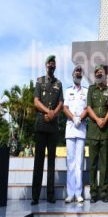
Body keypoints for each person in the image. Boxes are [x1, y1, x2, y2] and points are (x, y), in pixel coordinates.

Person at [31, 55, 63, 205]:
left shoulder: (59, 83)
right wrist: (47, 112)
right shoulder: (40, 81)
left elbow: (61, 103)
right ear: (46, 65)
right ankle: (35, 196)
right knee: (38, 161)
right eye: (49, 63)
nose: (51, 65)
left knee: (51, 162)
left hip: (53, 127)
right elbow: (36, 101)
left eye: (53, 64)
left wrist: (53, 114)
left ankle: (51, 195)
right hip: (41, 124)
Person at [63, 65, 88, 203]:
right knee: (70, 163)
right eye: (76, 73)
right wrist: (73, 118)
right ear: (73, 75)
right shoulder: (68, 91)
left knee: (79, 163)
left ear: (81, 76)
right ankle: (70, 193)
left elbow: (87, 108)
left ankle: (78, 193)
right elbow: (65, 107)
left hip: (81, 129)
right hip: (71, 129)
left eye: (80, 73)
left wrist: (80, 118)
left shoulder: (86, 91)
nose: (78, 75)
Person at [86, 65, 108, 203]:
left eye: (101, 72)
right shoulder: (91, 89)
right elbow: (89, 107)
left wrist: (104, 120)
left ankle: (103, 192)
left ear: (104, 74)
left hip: (105, 131)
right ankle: (93, 193)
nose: (99, 74)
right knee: (93, 164)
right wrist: (97, 119)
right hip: (94, 131)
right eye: (97, 72)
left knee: (104, 164)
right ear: (95, 75)